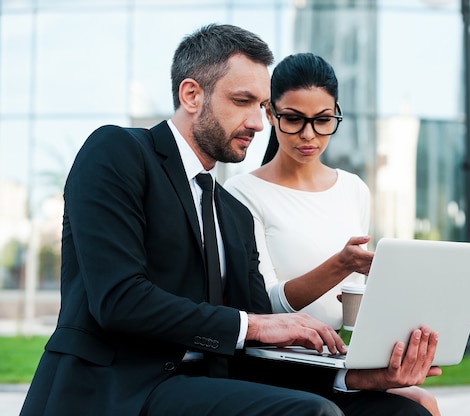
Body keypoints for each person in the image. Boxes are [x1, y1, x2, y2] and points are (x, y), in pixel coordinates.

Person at [21, 25, 438, 416]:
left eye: (260, 105)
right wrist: (253, 324)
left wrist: (359, 377)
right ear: (191, 95)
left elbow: (263, 344)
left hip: (211, 383)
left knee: (405, 410)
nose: (258, 123)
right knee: (312, 414)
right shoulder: (118, 152)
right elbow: (119, 300)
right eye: (243, 102)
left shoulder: (232, 212)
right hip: (118, 386)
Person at [225, 53, 441, 416]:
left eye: (323, 120)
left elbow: (354, 299)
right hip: (276, 366)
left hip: (336, 359)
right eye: (293, 120)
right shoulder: (242, 194)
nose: (308, 135)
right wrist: (340, 264)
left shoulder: (353, 189)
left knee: (423, 402)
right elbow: (264, 307)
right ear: (270, 114)